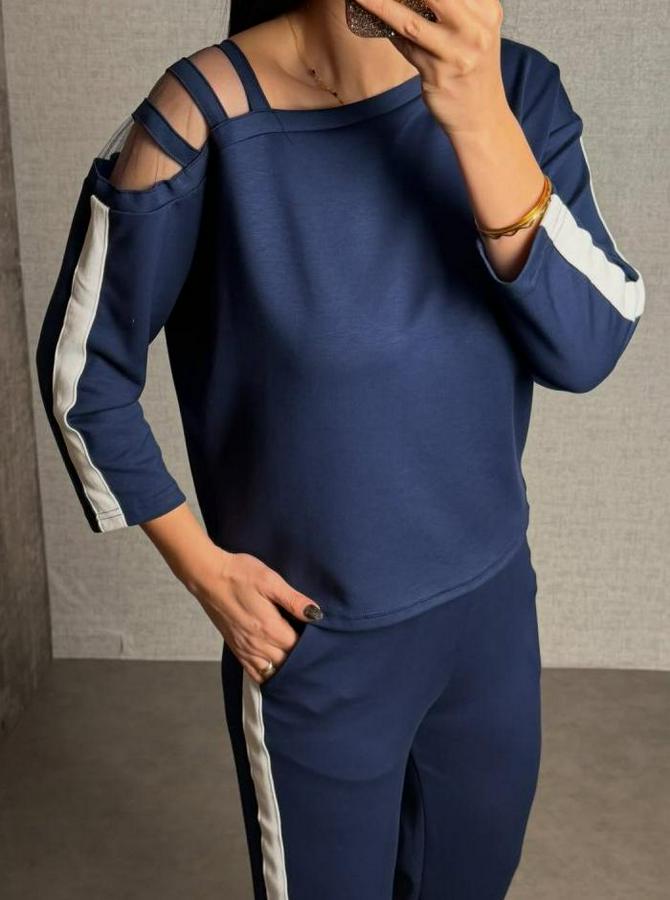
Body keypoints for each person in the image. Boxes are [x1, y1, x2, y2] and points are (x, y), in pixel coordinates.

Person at [35, 1, 646, 897]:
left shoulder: (516, 86)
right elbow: (83, 374)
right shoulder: (202, 116)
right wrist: (206, 570)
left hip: (491, 622)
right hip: (317, 649)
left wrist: (478, 116)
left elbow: (588, 345)